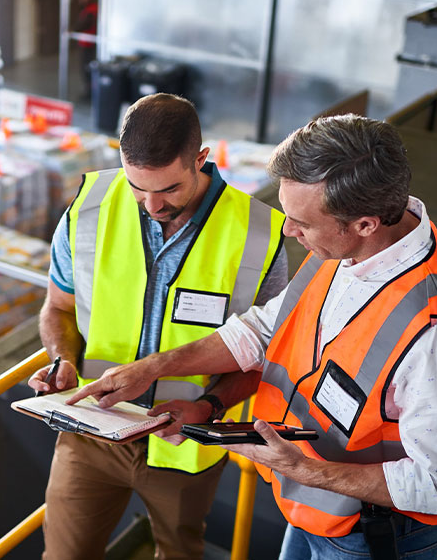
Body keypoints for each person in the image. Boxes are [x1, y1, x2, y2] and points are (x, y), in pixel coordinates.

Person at [69, 114, 437, 559]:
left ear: (366, 224)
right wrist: (156, 368)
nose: (288, 231)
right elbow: (264, 328)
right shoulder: (345, 245)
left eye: (301, 222)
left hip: (371, 536)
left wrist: (305, 470)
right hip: (315, 510)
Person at [28, 92, 288, 559]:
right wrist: (61, 360)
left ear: (201, 160)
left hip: (184, 445)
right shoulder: (88, 210)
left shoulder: (260, 235)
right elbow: (58, 308)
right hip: (90, 431)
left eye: (168, 189)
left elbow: (265, 354)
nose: (151, 204)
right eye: (136, 186)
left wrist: (209, 405)